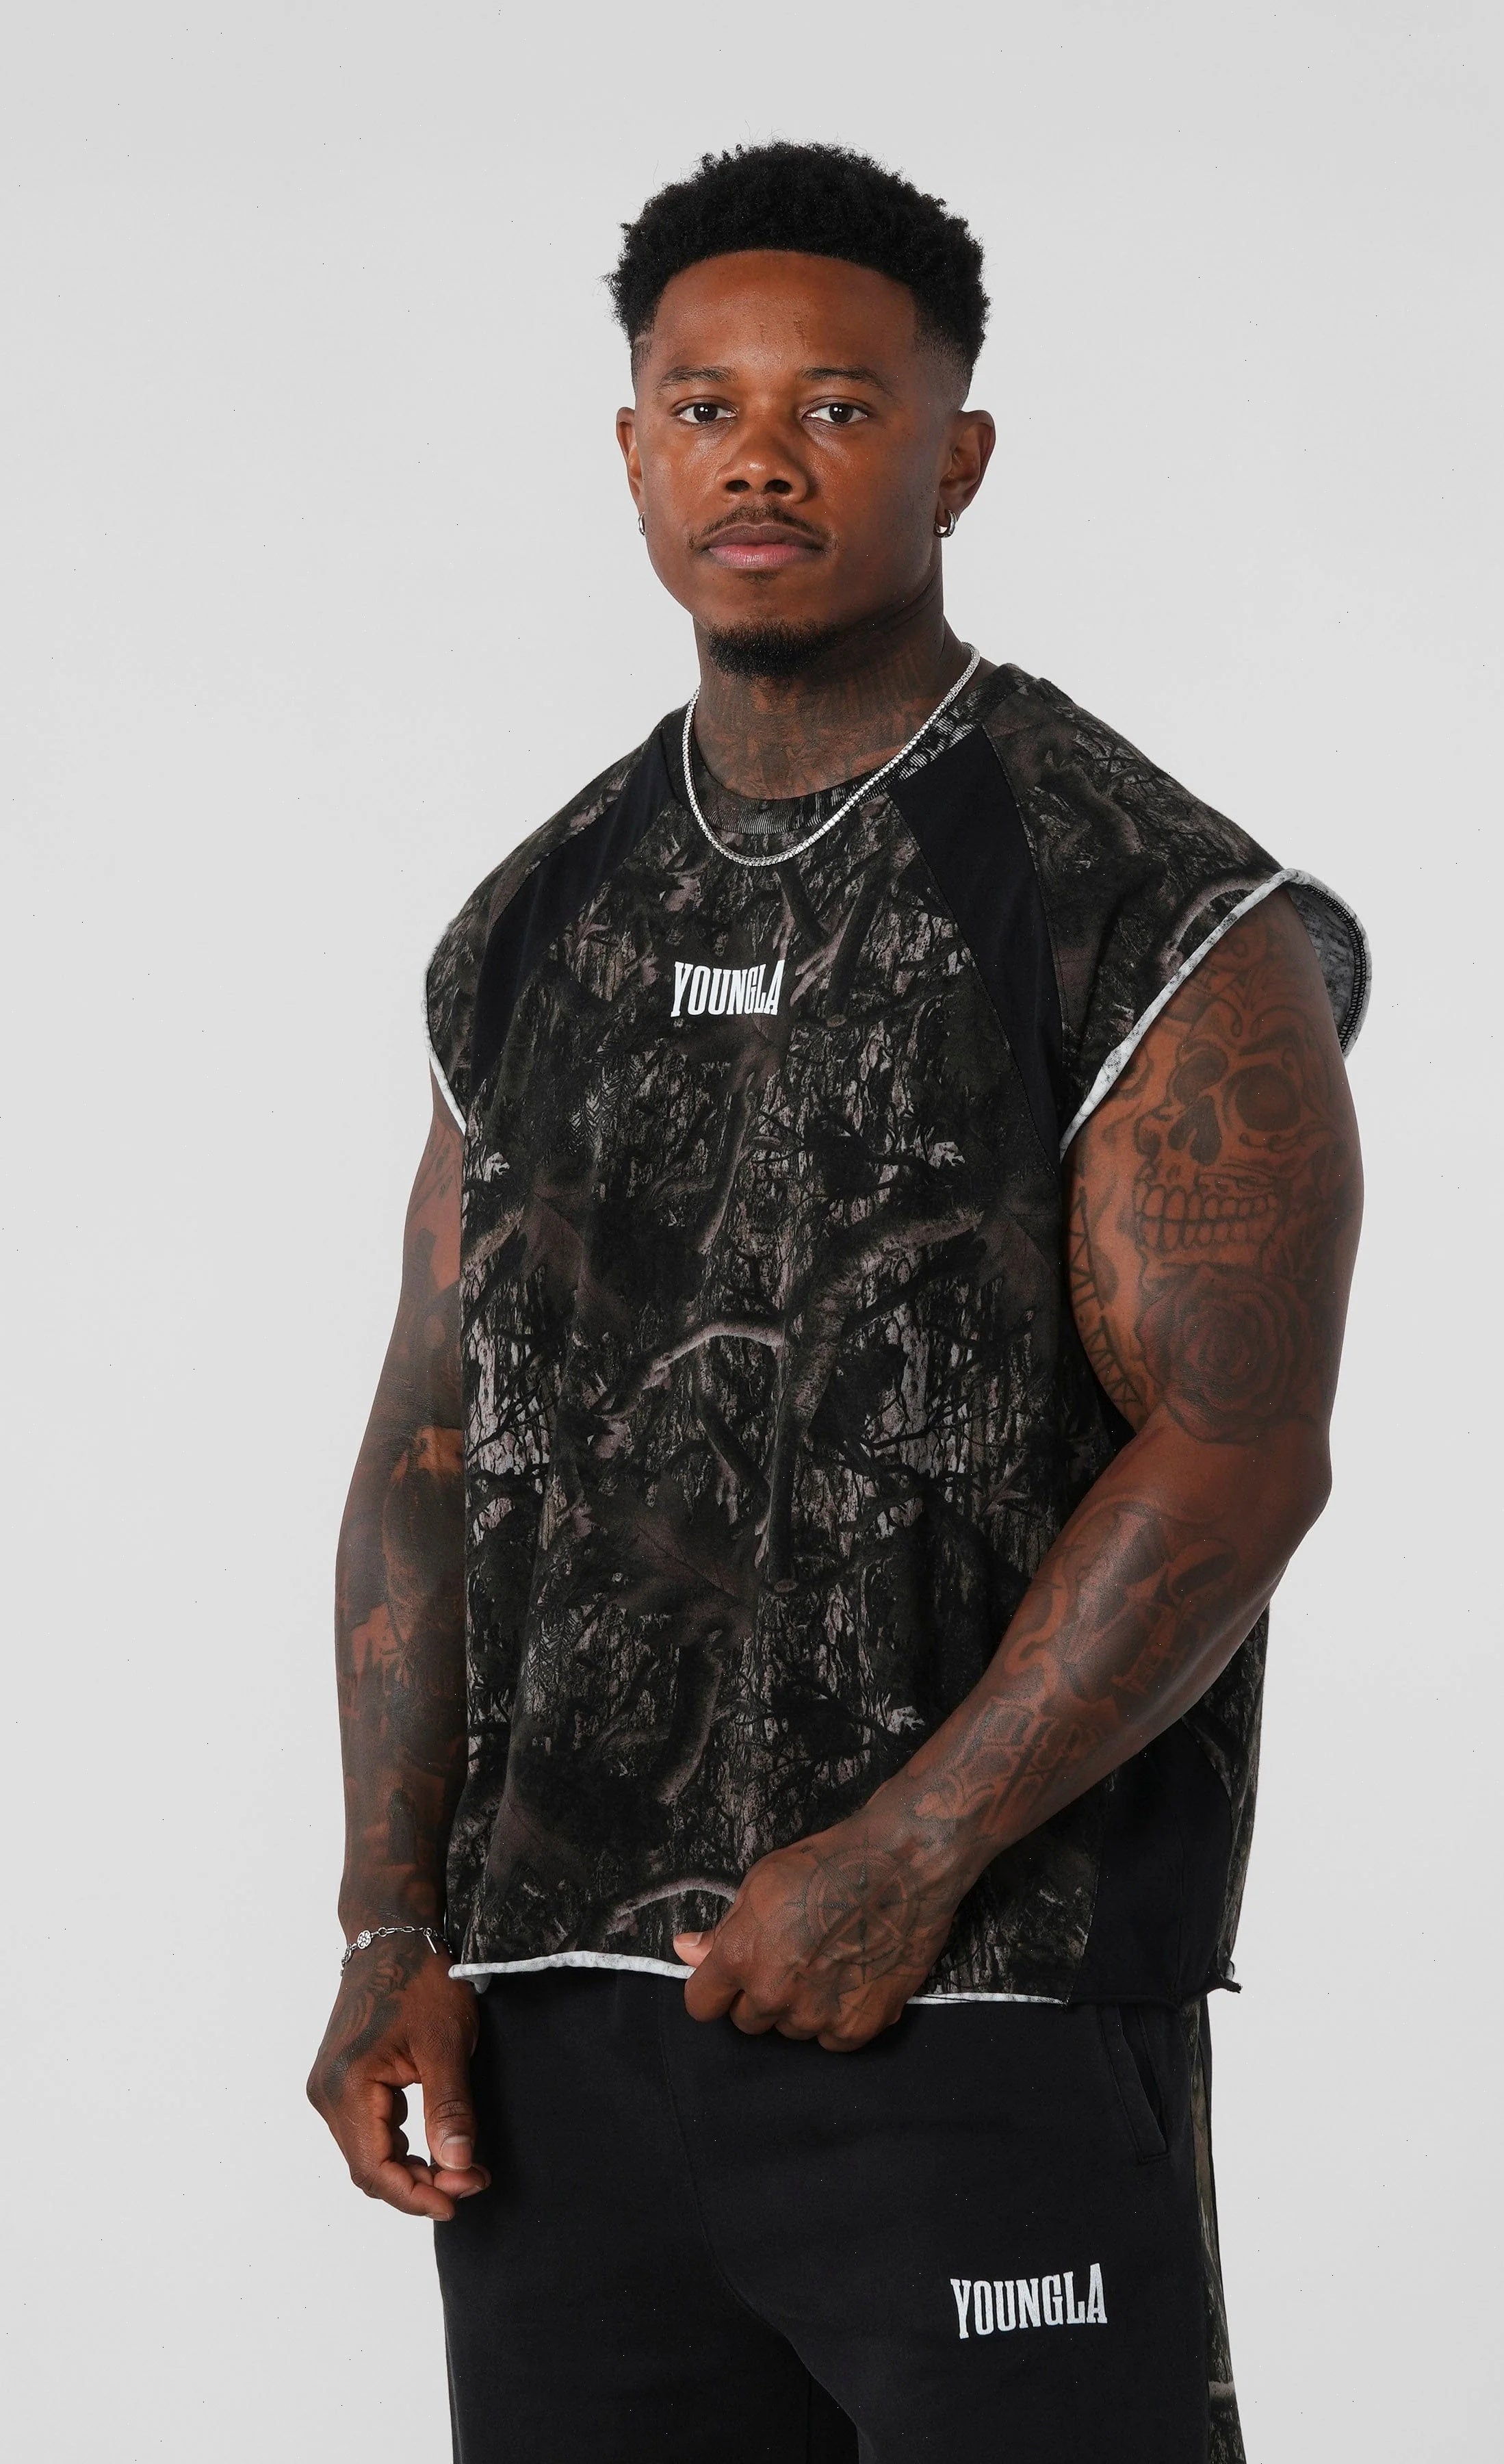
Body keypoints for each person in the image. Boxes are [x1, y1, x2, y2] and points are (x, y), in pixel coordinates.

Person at [307, 140, 1369, 2463]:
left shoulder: (1146, 906)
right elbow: (427, 1445)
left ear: (957, 457)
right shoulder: (529, 927)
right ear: (633, 450)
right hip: (554, 2042)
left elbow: (1237, 1454)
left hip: (973, 2008)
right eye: (706, 408)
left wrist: (909, 1856)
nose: (762, 459)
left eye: (840, 407)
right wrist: (392, 1932)